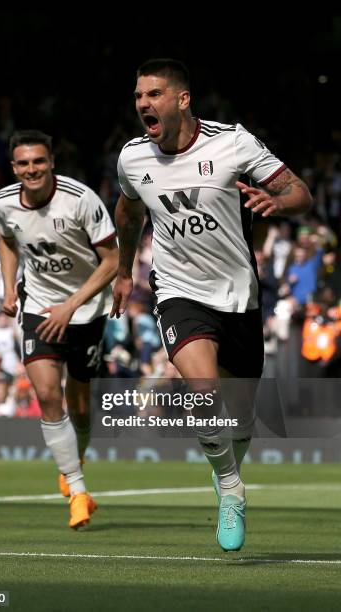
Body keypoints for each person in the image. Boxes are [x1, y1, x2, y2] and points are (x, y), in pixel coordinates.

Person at [111, 58, 312, 551]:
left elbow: (299, 193)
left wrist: (278, 203)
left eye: (154, 94)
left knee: (240, 416)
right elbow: (129, 209)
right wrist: (123, 268)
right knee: (202, 389)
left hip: (239, 296)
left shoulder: (233, 143)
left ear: (182, 100)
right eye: (139, 96)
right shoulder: (133, 158)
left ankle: (229, 471)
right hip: (179, 291)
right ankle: (230, 489)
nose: (143, 105)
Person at [0, 129, 118, 529]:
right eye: (23, 163)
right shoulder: (4, 202)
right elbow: (8, 242)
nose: (32, 169)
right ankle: (78, 491)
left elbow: (112, 260)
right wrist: (8, 285)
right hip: (38, 308)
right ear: (14, 167)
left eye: (39, 161)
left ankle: (74, 459)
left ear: (51, 163)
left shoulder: (81, 199)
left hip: (86, 310)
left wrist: (71, 305)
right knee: (48, 395)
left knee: (79, 404)